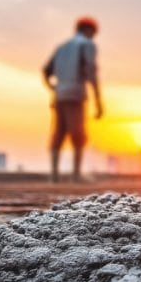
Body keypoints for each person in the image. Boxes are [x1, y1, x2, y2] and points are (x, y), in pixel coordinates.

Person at [43, 16, 104, 182]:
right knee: (78, 133)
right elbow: (91, 71)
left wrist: (54, 88)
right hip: (76, 93)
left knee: (59, 133)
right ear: (88, 30)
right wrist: (98, 100)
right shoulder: (86, 44)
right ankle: (76, 175)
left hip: (60, 94)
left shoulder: (62, 47)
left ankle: (54, 176)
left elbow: (46, 71)